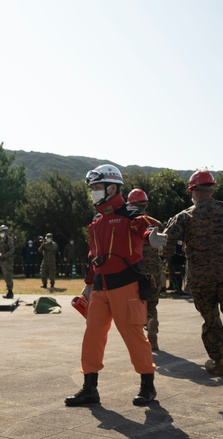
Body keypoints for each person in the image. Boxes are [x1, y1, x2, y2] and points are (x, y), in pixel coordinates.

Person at [65, 165, 157, 407]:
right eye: (93, 188)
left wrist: (153, 236)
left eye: (97, 188)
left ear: (113, 187)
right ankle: (89, 389)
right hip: (99, 288)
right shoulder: (96, 221)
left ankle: (148, 386)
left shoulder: (131, 215)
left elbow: (145, 228)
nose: (94, 192)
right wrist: (87, 286)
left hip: (126, 285)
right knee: (92, 336)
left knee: (133, 335)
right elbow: (93, 256)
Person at [159, 169, 223, 381]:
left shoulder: (184, 216)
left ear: (193, 191)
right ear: (212, 189)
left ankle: (218, 362)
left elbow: (165, 246)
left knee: (210, 319)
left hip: (201, 277)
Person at [128, 188, 165, 351]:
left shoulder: (129, 223)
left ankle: (146, 322)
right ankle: (153, 337)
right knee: (152, 302)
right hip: (155, 269)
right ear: (146, 204)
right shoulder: (157, 223)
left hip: (136, 268)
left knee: (137, 302)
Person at [0, 224, 15, 298]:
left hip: (8, 261)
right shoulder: (3, 240)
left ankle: (10, 291)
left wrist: (4, 256)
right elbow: (2, 251)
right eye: (0, 231)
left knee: (8, 276)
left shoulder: (9, 240)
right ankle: (9, 291)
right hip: (3, 261)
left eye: (2, 231)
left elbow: (12, 250)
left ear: (6, 232)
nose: (1, 233)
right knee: (5, 276)